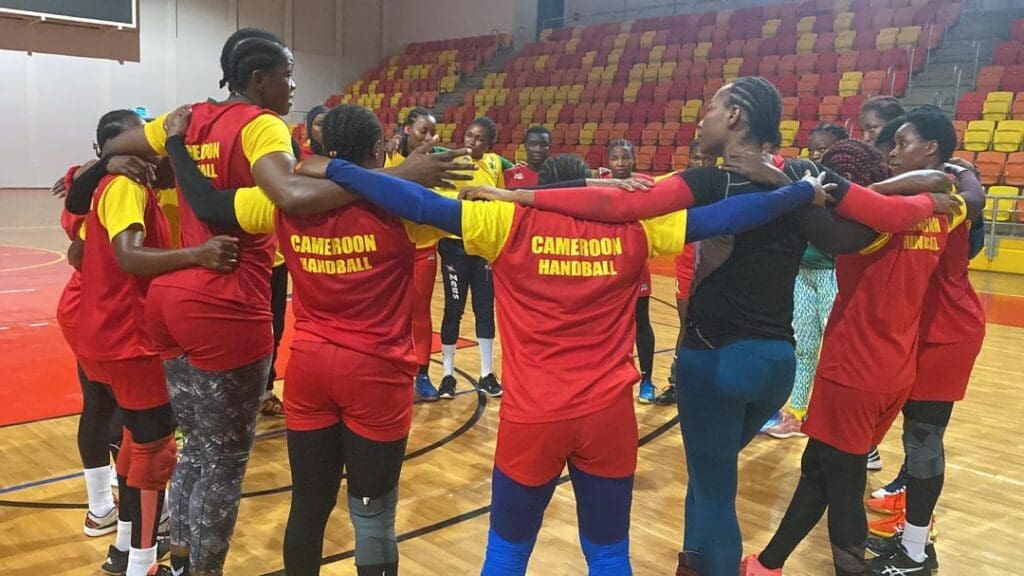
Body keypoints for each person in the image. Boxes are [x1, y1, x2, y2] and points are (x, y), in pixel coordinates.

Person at [321, 141, 833, 576]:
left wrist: (336, 168)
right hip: (607, 417)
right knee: (609, 554)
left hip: (533, 418)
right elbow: (729, 215)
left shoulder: (504, 220)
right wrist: (799, 192)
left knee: (505, 554)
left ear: (540, 186)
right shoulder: (635, 226)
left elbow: (414, 202)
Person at [511, 76, 958, 576]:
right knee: (707, 477)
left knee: (715, 488)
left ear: (735, 118)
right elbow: (852, 233)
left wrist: (527, 198)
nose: (702, 117)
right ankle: (691, 564)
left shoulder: (711, 181)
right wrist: (923, 197)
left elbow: (620, 208)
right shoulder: (803, 178)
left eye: (712, 107)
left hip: (717, 361)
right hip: (776, 367)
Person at [65, 32, 473, 576]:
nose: (293, 85)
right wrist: (396, 180)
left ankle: (167, 559)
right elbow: (292, 195)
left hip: (174, 297)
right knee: (232, 461)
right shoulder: (262, 130)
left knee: (194, 449)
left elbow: (135, 157)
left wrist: (114, 165)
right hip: (229, 300)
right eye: (287, 74)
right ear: (259, 80)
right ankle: (199, 568)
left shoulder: (189, 117)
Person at [164, 104, 466, 576]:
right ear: (378, 150)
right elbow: (473, 218)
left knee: (307, 504)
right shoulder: (404, 207)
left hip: (308, 369)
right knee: (372, 514)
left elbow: (205, 202)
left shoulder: (284, 204)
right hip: (376, 374)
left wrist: (176, 145)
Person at [740, 137, 967, 576]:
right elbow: (953, 190)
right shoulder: (942, 213)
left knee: (843, 496)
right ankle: (768, 564)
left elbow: (826, 207)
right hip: (895, 371)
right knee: (817, 471)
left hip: (853, 372)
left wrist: (802, 187)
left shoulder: (867, 226)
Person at [76, 109, 240, 576]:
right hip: (131, 339)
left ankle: (124, 549)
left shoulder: (113, 184)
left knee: (133, 442)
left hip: (101, 336)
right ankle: (144, 563)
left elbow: (78, 250)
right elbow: (129, 256)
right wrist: (197, 255)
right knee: (156, 452)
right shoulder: (126, 186)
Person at [866, 108, 986, 576]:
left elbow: (969, 196)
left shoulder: (950, 183)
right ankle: (909, 532)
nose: (893, 151)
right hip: (915, 326)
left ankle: (917, 552)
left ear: (931, 149)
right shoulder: (917, 184)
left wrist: (960, 171)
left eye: (902, 142)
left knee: (924, 438)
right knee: (912, 435)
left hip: (947, 329)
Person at [763, 123, 849, 438]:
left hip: (832, 275)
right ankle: (798, 413)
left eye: (823, 149)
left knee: (837, 349)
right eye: (811, 150)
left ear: (840, 149)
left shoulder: (847, 189)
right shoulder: (806, 182)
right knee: (804, 345)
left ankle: (840, 420)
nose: (816, 155)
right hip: (803, 273)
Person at [436, 117, 508, 398]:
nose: (472, 142)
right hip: (455, 245)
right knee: (453, 309)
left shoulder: (494, 164)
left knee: (484, 309)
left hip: (484, 246)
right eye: (469, 135)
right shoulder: (451, 162)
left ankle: (486, 374)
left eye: (479, 139)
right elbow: (442, 199)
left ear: (489, 144)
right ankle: (447, 375)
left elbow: (501, 198)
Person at [384, 106, 449, 398]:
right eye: (424, 130)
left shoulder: (436, 161)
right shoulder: (387, 156)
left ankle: (422, 373)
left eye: (433, 132)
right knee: (388, 313)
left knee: (420, 313)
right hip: (391, 250)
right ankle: (390, 369)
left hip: (423, 247)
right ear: (407, 130)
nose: (429, 137)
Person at [603, 139, 659, 402]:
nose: (620, 164)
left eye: (625, 158)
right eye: (615, 158)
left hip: (636, 265)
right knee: (609, 326)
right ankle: (610, 377)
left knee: (641, 324)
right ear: (608, 161)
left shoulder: (645, 185)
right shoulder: (600, 183)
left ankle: (647, 380)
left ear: (633, 159)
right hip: (606, 267)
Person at [660, 140, 714, 406]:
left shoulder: (723, 185)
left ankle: (709, 384)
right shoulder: (680, 185)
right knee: (686, 324)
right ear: (689, 159)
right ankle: (676, 382)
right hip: (685, 266)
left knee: (715, 325)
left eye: (707, 159)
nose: (702, 163)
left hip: (715, 266)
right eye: (697, 158)